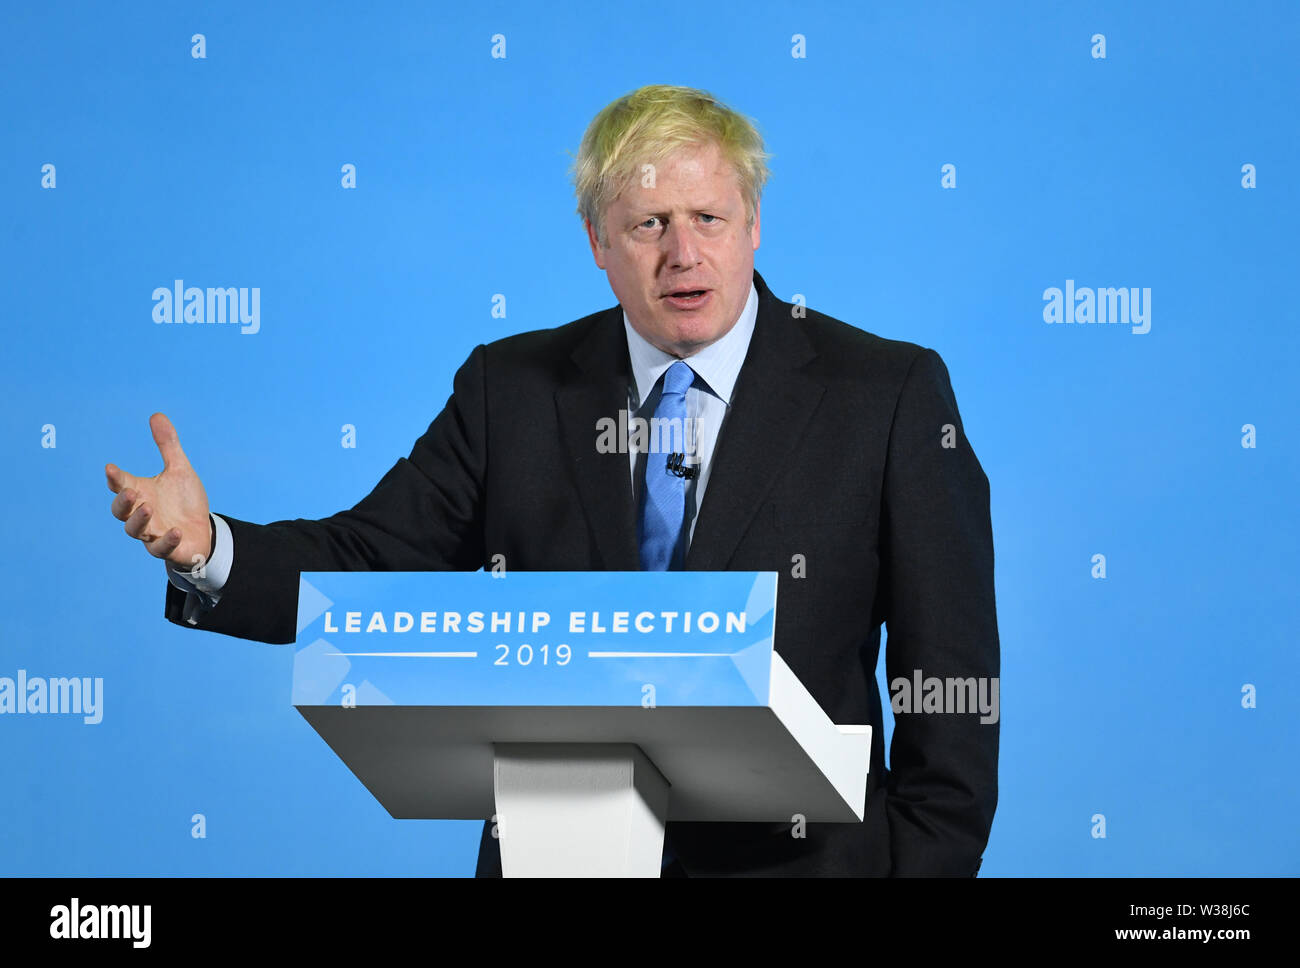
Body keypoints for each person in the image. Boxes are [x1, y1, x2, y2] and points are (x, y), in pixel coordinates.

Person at [106, 84, 1000, 876]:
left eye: (709, 219)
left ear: (754, 224)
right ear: (596, 242)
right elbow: (369, 560)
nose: (682, 254)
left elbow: (951, 693)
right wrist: (210, 548)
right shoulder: (513, 390)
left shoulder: (887, 394)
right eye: (648, 225)